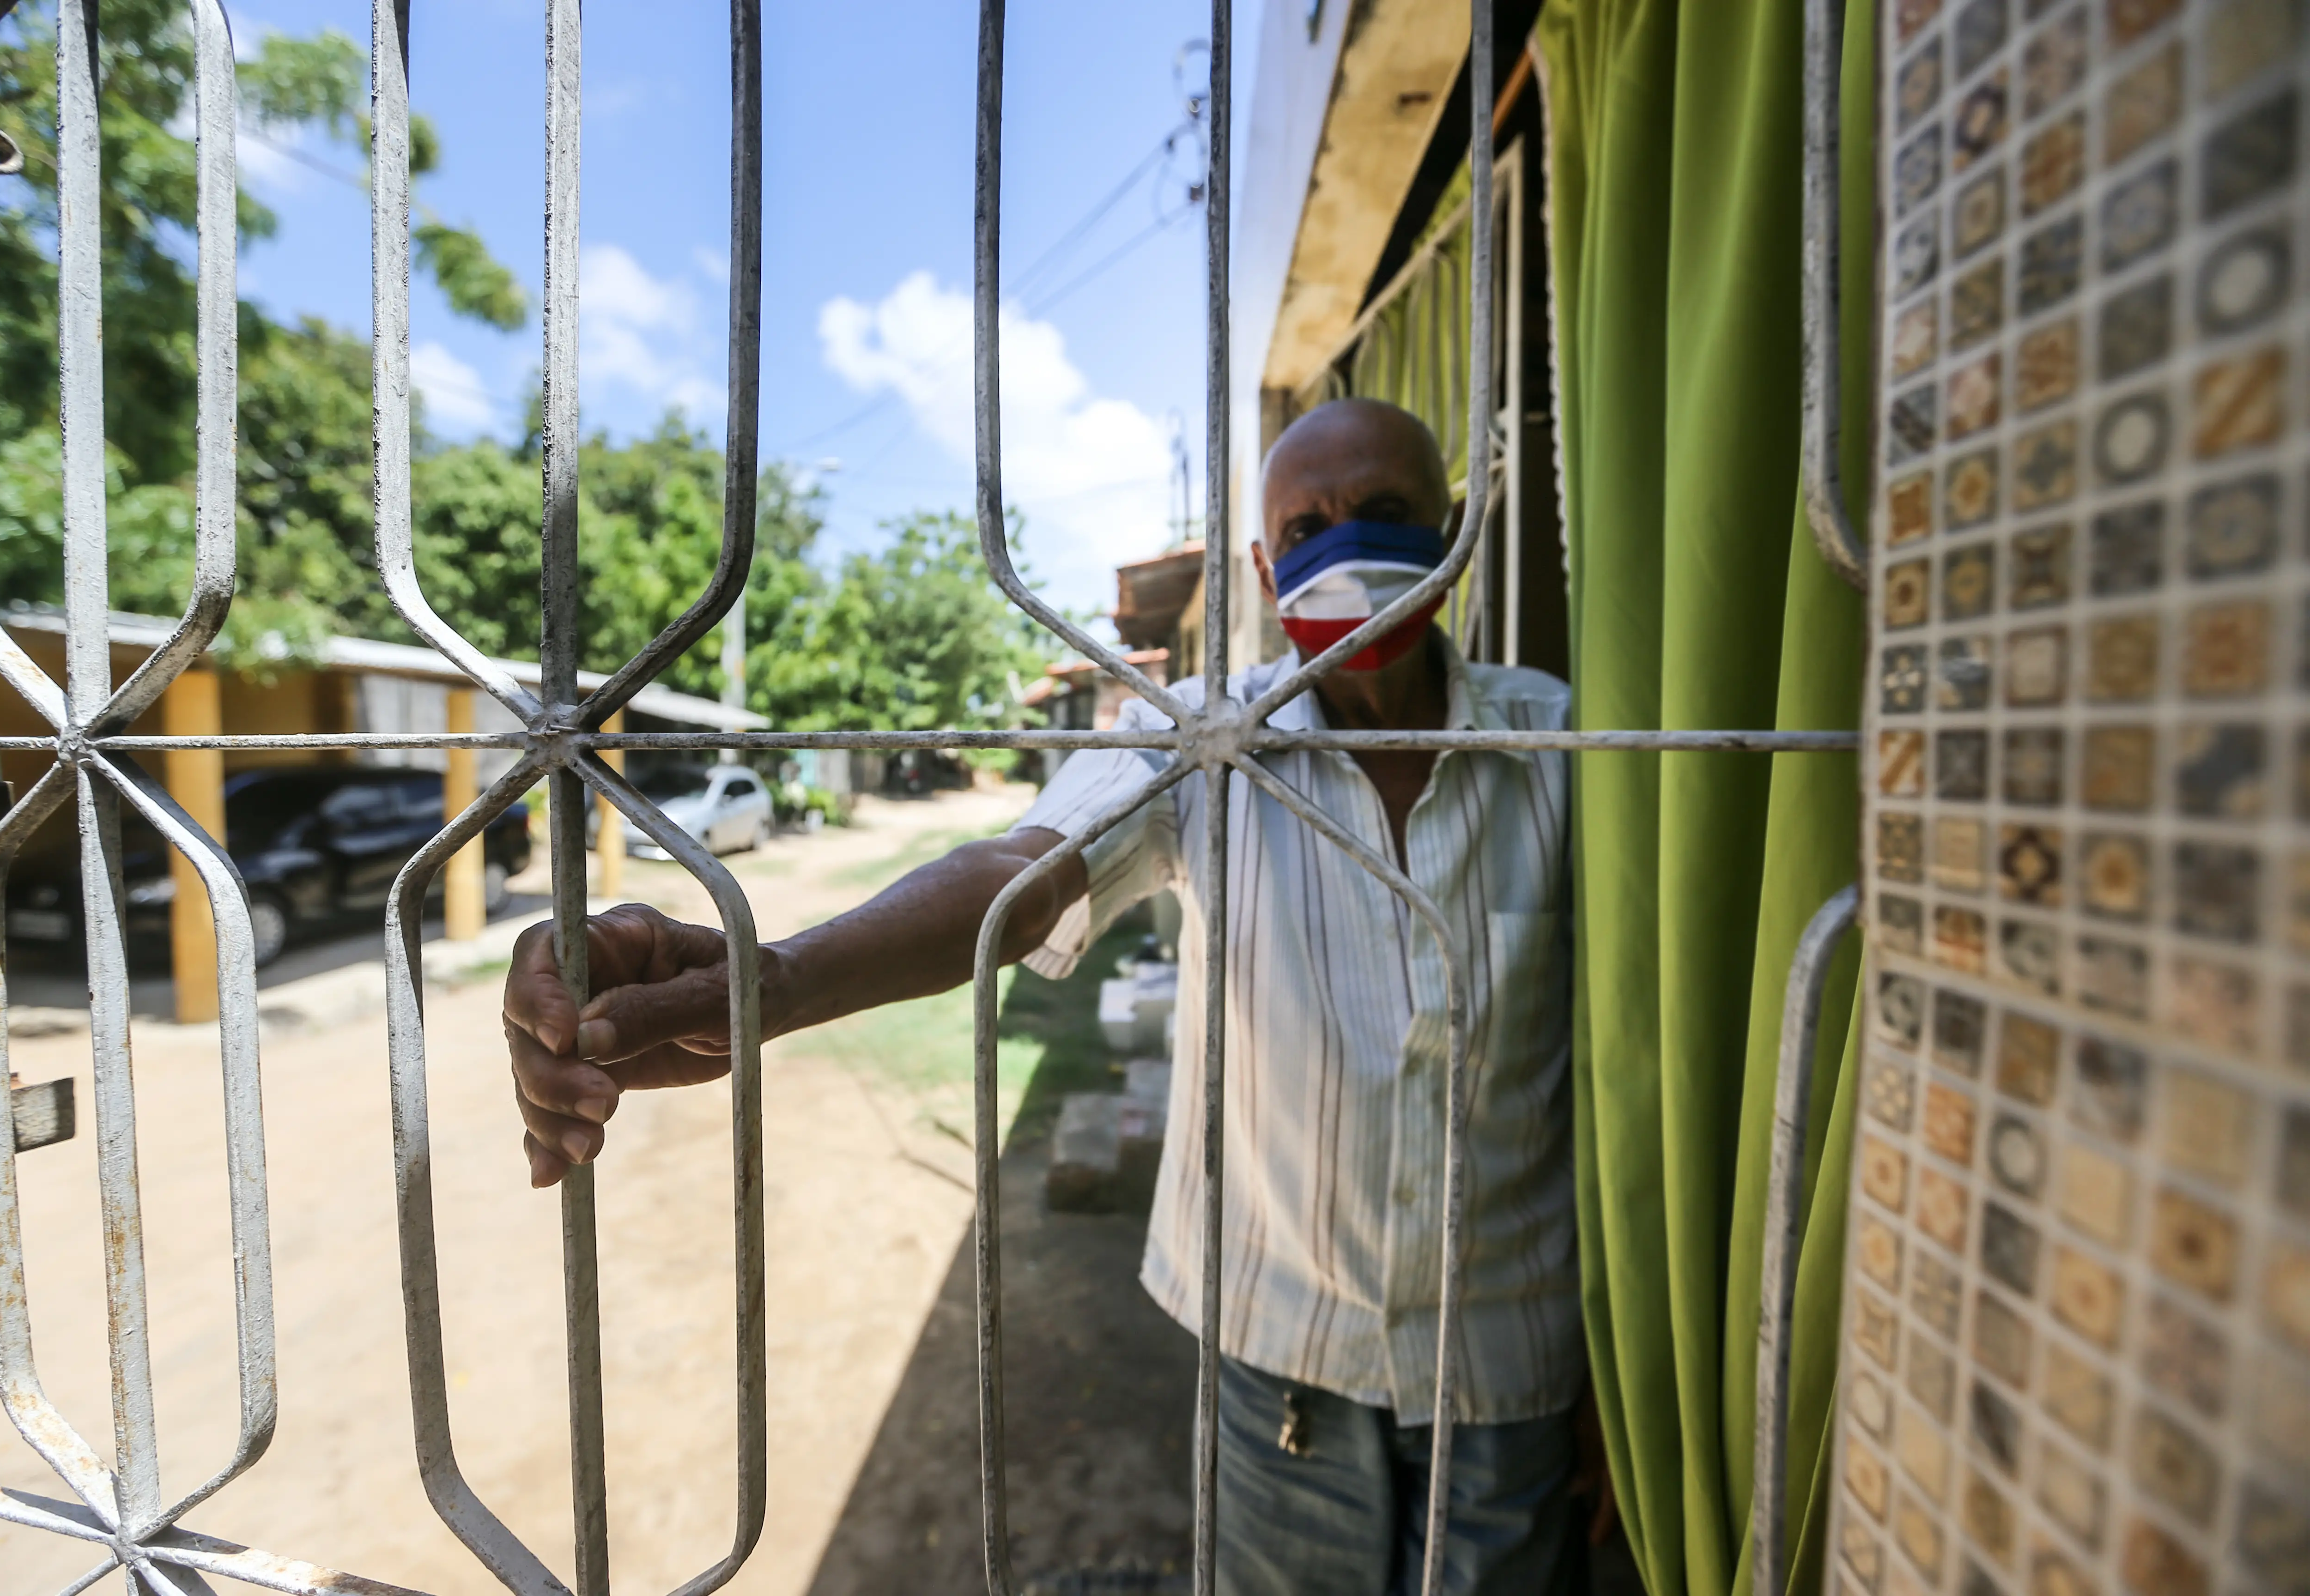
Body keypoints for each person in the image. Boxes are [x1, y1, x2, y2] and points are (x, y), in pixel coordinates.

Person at [500, 398, 1614, 1595]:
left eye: (1385, 516)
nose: (1341, 552)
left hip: (1511, 1367)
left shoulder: (1570, 748)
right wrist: (768, 980)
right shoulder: (1205, 741)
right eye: (1307, 528)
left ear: (1451, 532)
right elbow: (1013, 878)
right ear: (1263, 565)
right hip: (1282, 1359)